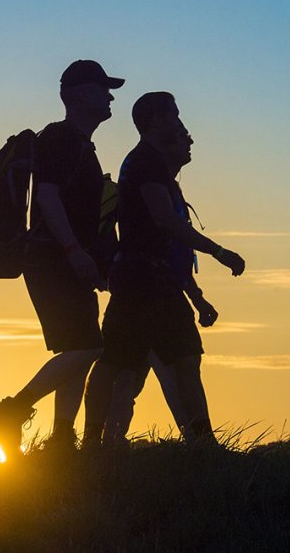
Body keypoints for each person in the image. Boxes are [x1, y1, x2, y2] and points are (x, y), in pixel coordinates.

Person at [0, 60, 124, 454]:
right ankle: (10, 410)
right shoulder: (61, 139)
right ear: (77, 95)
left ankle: (62, 438)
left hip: (61, 258)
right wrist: (74, 251)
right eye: (102, 88)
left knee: (78, 347)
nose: (110, 96)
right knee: (88, 347)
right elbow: (47, 195)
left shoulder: (79, 144)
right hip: (52, 257)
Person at [81, 92, 241, 447]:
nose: (182, 126)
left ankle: (203, 443)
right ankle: (92, 443)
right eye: (175, 117)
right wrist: (217, 250)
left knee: (183, 358)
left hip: (156, 280)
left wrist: (196, 296)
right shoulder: (144, 162)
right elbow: (164, 219)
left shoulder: (153, 166)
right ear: (156, 120)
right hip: (139, 280)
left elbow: (171, 237)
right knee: (115, 362)